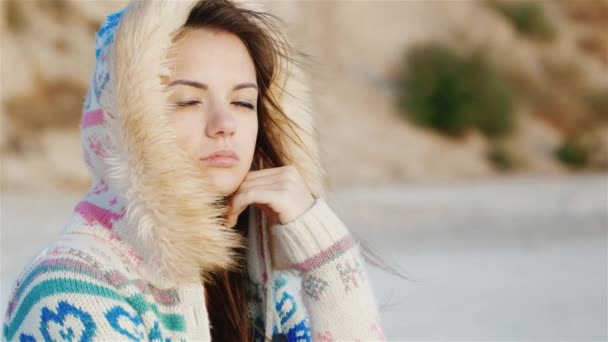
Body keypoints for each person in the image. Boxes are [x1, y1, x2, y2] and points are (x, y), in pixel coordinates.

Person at [2, 0, 385, 341]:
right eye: (187, 101)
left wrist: (327, 256)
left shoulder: (260, 286)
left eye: (242, 102)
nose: (224, 124)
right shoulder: (70, 290)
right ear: (122, 126)